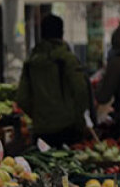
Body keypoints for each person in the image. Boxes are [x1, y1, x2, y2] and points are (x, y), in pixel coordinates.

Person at [16, 15, 88, 148]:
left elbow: (22, 98)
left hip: (41, 131)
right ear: (62, 32)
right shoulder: (67, 59)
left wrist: (38, 115)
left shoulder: (31, 62)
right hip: (68, 129)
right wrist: (76, 117)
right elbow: (81, 91)